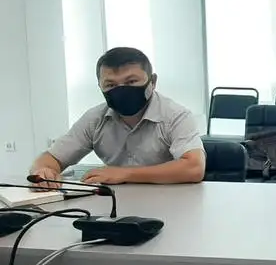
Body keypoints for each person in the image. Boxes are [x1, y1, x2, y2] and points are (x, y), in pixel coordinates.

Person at [30, 47, 205, 187]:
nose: (121, 90)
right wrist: (43, 171)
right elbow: (51, 158)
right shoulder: (95, 119)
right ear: (100, 87)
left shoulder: (175, 115)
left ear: (152, 82)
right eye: (110, 84)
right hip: (115, 204)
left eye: (131, 82)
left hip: (171, 202)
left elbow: (194, 167)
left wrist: (124, 174)